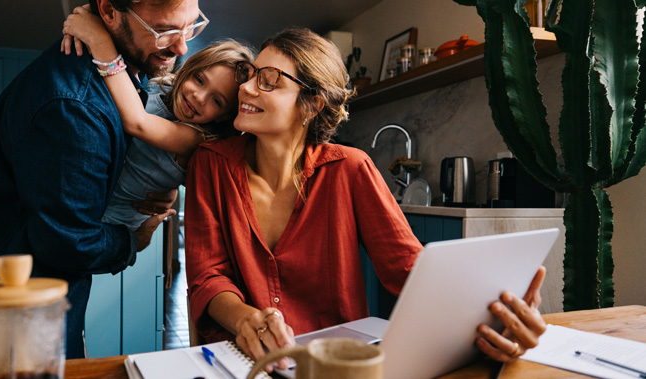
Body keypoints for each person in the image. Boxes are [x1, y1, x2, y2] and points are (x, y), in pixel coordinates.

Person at [184, 27, 547, 372]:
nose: (245, 88)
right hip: (238, 362)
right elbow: (208, 277)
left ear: (311, 104)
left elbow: (410, 271)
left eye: (268, 80)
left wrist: (499, 315)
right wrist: (245, 319)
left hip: (336, 365)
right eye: (250, 75)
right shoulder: (211, 164)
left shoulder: (350, 169)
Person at [0, 0, 204, 359]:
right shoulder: (76, 106)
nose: (182, 47)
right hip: (20, 310)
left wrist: (162, 189)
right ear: (109, 12)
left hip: (27, 291)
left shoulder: (111, 75)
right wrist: (133, 240)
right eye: (163, 31)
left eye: (191, 26)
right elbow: (70, 243)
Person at [61, 6, 254, 231]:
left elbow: (137, 122)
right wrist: (97, 15)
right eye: (200, 80)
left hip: (117, 216)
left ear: (223, 117)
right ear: (190, 69)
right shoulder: (165, 85)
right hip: (98, 191)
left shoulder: (195, 138)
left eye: (217, 101)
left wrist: (99, 40)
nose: (199, 97)